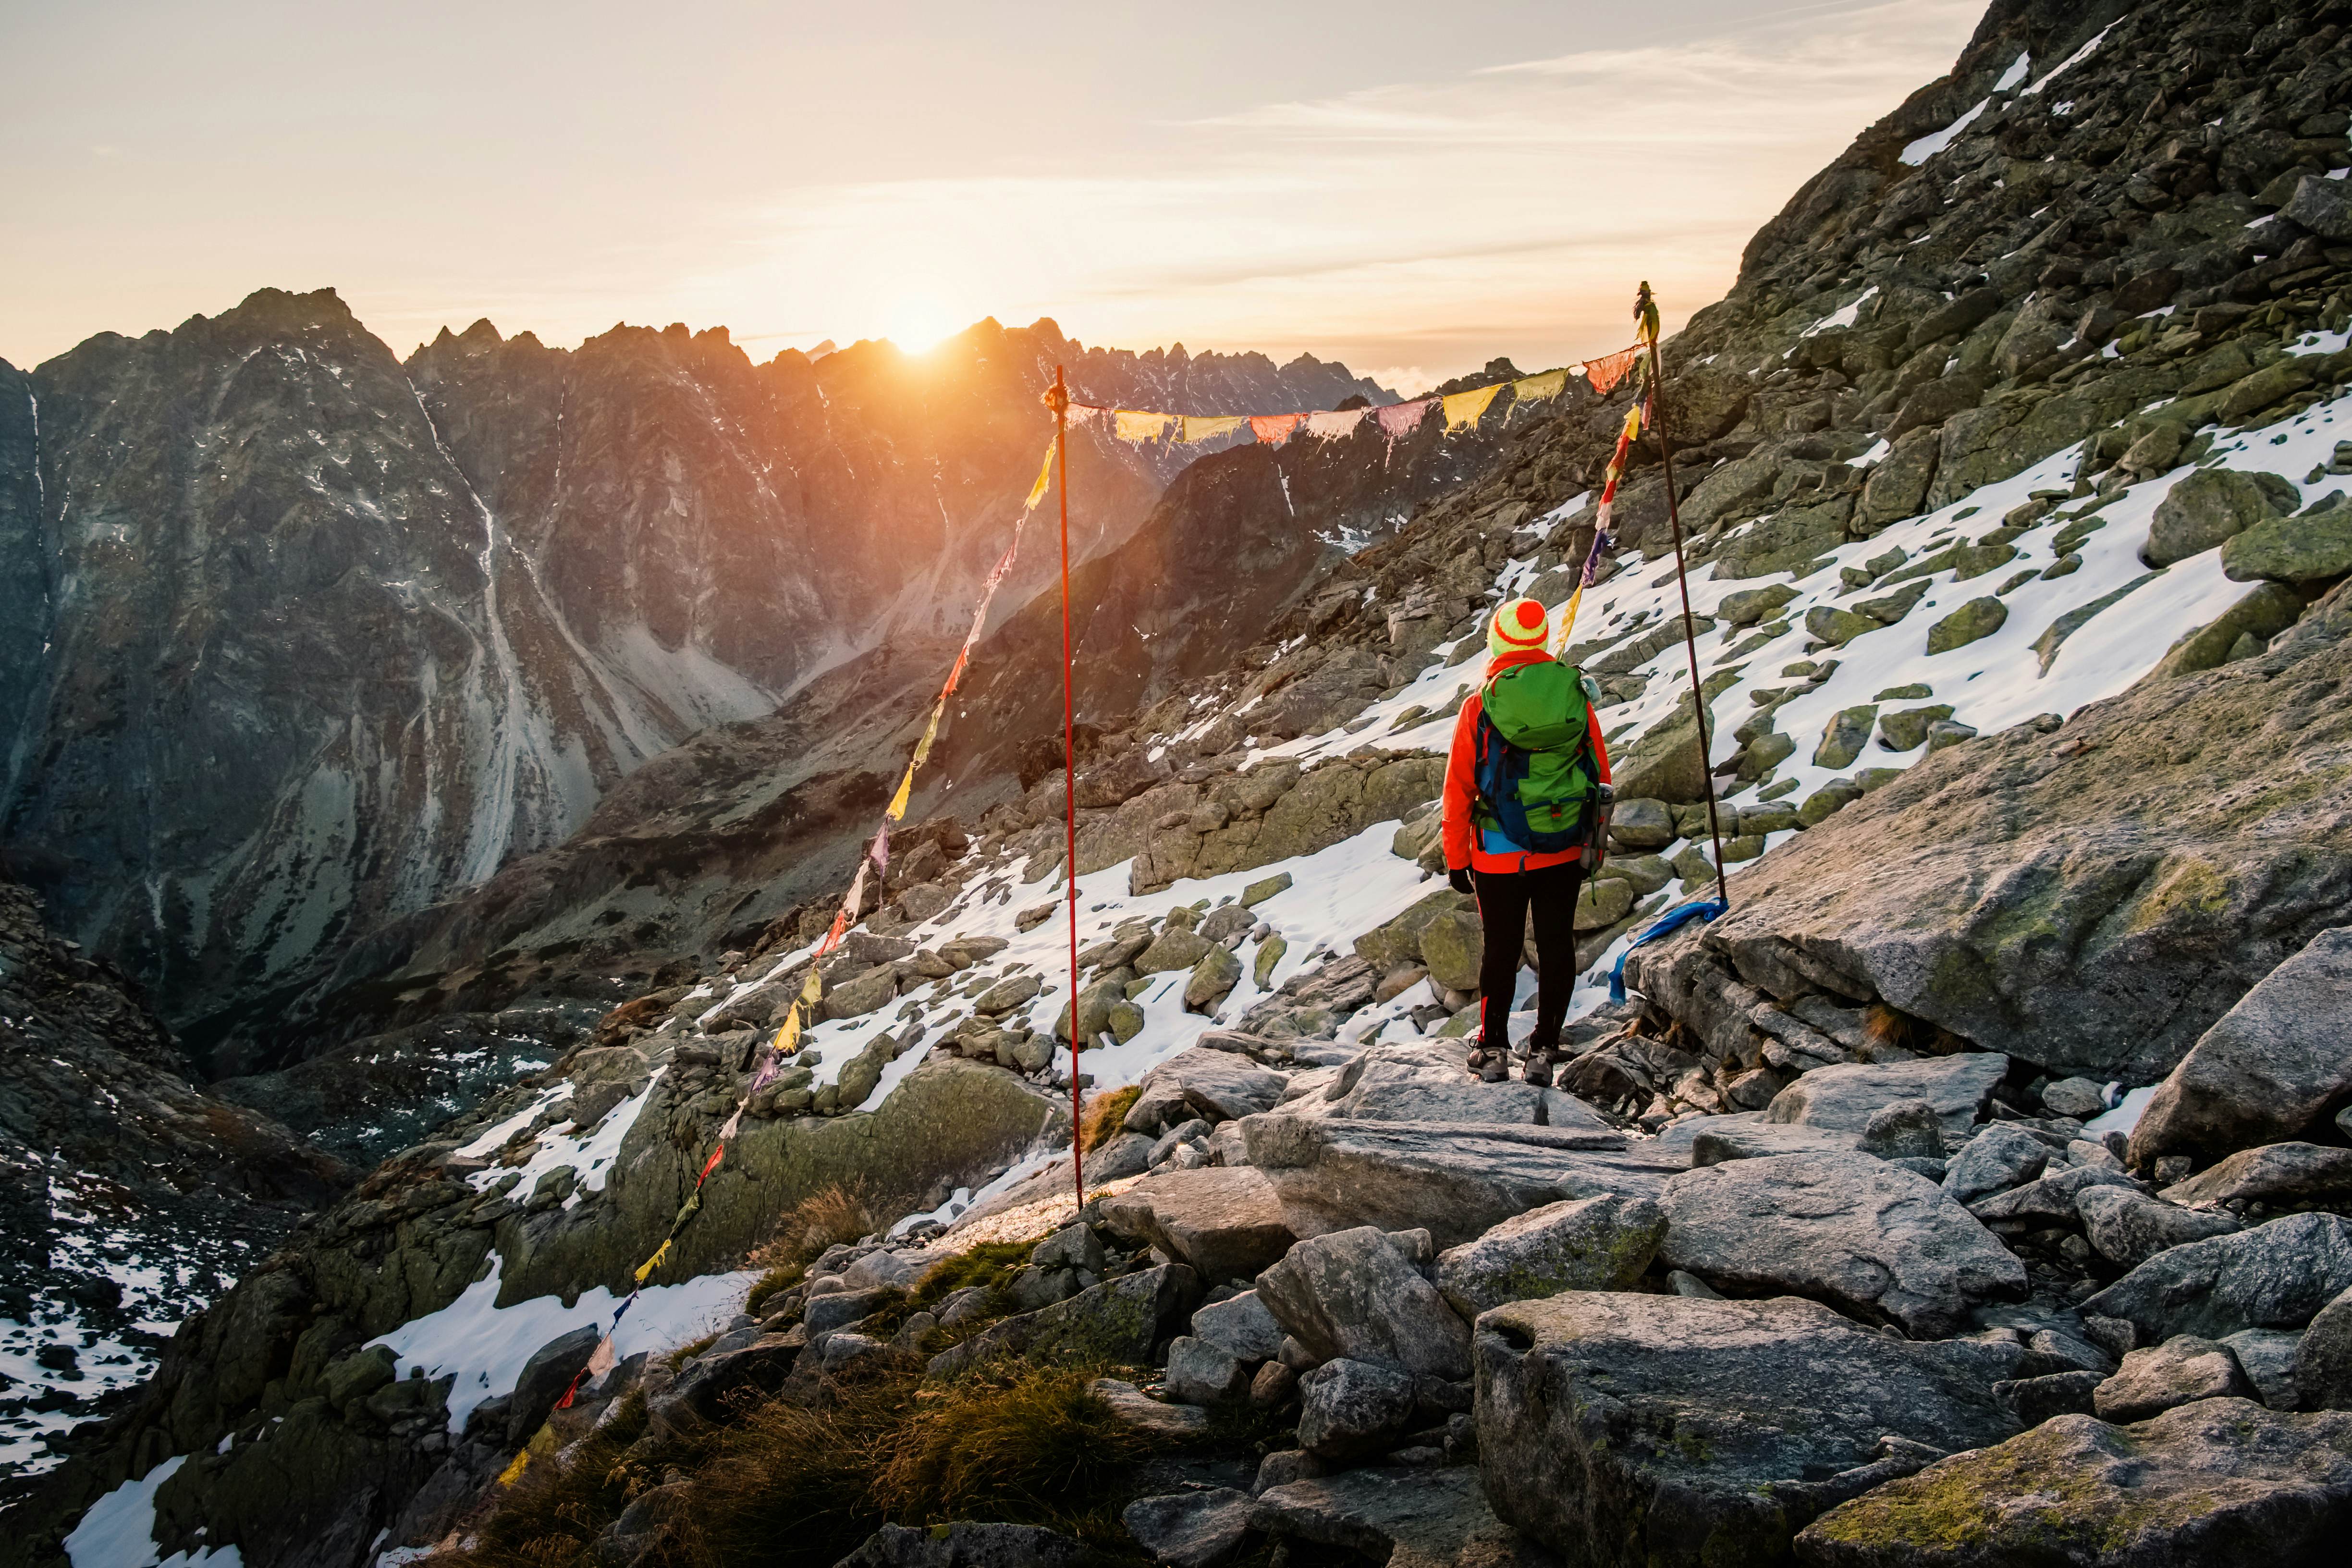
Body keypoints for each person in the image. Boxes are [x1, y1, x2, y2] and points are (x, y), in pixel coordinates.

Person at [1439, 596, 1612, 1085]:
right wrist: (1593, 845)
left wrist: (1457, 858)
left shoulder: (1481, 704)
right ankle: (1543, 1051)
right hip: (1562, 846)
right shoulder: (1574, 691)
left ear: (1498, 639)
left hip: (1498, 854)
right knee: (1557, 944)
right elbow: (1600, 773)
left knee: (1501, 948)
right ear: (1539, 639)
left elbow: (1459, 789)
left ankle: (1492, 1049)